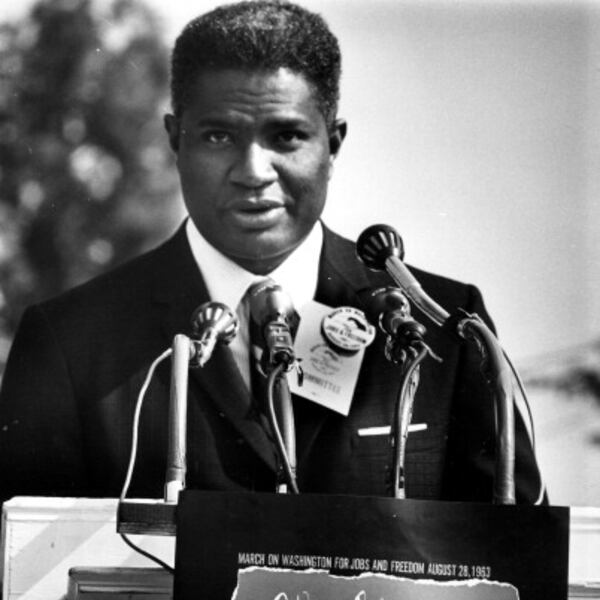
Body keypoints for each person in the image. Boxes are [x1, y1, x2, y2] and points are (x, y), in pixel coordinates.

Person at [0, 0, 544, 505]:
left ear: (333, 144)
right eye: (218, 137)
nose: (253, 173)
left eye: (285, 138)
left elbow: (517, 569)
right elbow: (22, 583)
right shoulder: (69, 342)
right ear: (175, 140)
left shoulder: (445, 328)